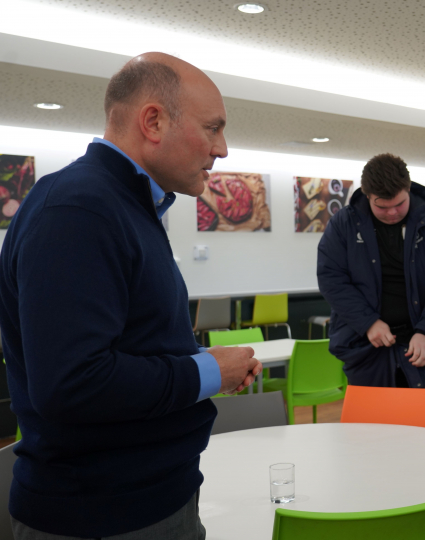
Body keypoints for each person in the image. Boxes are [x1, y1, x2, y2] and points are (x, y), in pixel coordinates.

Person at [0, 53, 262, 539]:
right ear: (154, 121)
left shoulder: (120, 205)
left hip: (144, 499)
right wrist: (207, 372)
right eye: (212, 128)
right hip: (103, 514)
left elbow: (118, 349)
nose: (222, 149)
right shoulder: (80, 209)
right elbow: (74, 383)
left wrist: (201, 363)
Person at [317, 153, 425, 390]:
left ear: (408, 188)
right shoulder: (343, 225)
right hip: (365, 348)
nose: (392, 213)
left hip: (424, 347)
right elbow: (332, 279)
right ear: (367, 194)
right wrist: (368, 323)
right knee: (370, 427)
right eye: (382, 206)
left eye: (400, 204)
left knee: (424, 427)